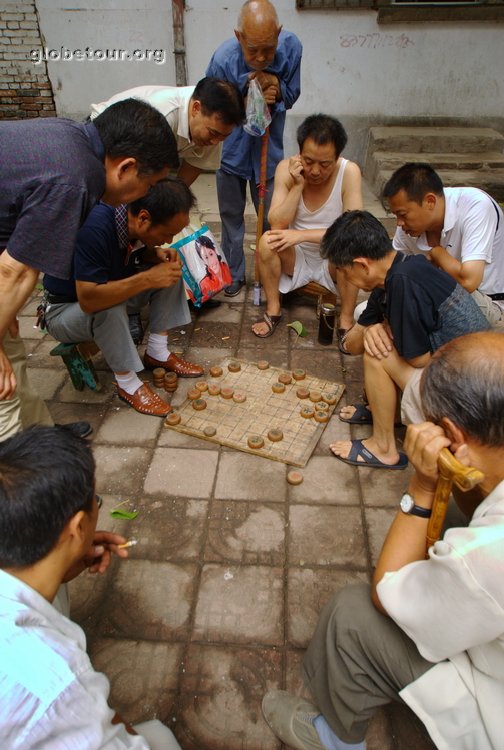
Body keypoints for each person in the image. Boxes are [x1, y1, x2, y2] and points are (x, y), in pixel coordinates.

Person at [262, 329, 504, 750]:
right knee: (445, 533)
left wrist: (424, 486)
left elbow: (385, 591)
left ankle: (333, 740)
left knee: (354, 613)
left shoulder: (484, 555)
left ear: (454, 439)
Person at [0, 99, 178, 439]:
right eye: (150, 184)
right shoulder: (75, 181)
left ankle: (45, 442)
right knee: (2, 398)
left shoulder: (74, 141)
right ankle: (33, 486)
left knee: (14, 362)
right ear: (125, 167)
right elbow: (16, 272)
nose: (147, 195)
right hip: (42, 293)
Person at [0, 425, 181, 749]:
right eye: (95, 501)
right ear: (78, 526)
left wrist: (66, 558)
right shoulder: (58, 685)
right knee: (161, 737)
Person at [321, 210, 489, 470]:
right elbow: (350, 345)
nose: (342, 279)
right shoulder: (393, 271)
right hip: (465, 377)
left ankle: (383, 447)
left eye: (343, 272)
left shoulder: (402, 283)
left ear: (362, 264)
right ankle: (385, 411)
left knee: (379, 352)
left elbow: (418, 358)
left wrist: (378, 332)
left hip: (467, 406)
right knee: (376, 337)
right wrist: (372, 328)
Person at [43, 178, 203, 419]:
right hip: (63, 310)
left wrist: (154, 254)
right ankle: (128, 384)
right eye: (167, 233)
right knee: (109, 306)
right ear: (143, 219)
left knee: (170, 272)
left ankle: (157, 353)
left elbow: (127, 255)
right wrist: (148, 279)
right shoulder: (94, 228)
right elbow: (90, 300)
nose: (169, 240)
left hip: (101, 296)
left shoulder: (128, 219)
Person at [206, 0, 302, 296]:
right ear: (239, 37)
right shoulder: (223, 59)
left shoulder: (291, 48)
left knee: (273, 218)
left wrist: (276, 86)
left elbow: (292, 92)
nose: (261, 57)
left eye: (268, 49)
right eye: (253, 50)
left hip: (268, 152)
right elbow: (210, 106)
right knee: (231, 215)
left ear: (278, 33)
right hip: (232, 151)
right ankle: (234, 273)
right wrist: (243, 94)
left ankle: (267, 271)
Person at [250, 114, 362, 340]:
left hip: (331, 258)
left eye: (325, 164)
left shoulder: (349, 172)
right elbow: (276, 222)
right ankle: (273, 309)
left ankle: (346, 319)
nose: (315, 171)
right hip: (296, 257)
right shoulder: (286, 169)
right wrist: (298, 185)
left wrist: (300, 235)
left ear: (337, 157)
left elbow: (354, 229)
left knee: (353, 252)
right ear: (299, 153)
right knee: (267, 241)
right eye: (309, 162)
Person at [383, 162, 504, 324]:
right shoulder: (407, 228)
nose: (399, 223)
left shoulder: (476, 206)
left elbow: (469, 282)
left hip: (487, 305)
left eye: (403, 214)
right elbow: (390, 274)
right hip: (436, 299)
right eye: (396, 216)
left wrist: (438, 253)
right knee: (365, 312)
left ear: (430, 202)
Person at [91, 76, 246, 187]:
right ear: (196, 108)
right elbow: (136, 175)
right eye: (213, 134)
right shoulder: (161, 116)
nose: (215, 142)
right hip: (103, 139)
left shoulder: (215, 127)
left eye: (224, 136)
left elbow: (193, 167)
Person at [195, 234, 232, 299]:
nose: (211, 261)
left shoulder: (226, 268)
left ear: (215, 251)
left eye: (211, 254)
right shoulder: (204, 284)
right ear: (203, 261)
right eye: (206, 257)